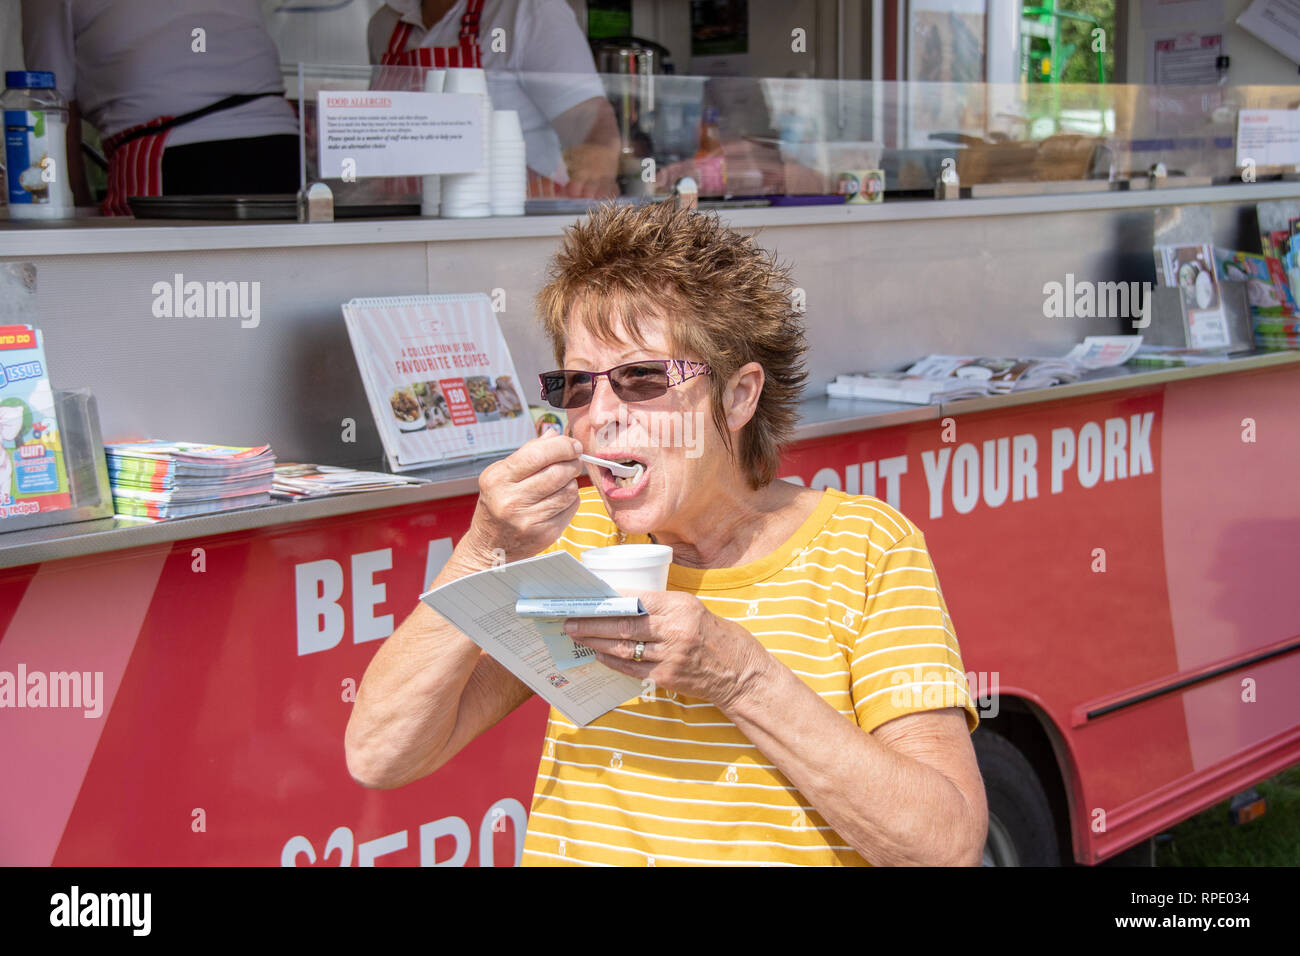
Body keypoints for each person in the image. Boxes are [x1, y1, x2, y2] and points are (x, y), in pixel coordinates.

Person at [345, 200, 987, 866]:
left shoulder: (865, 549)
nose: (600, 417)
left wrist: (738, 676)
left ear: (738, 397)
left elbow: (943, 847)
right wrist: (485, 550)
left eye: (642, 379)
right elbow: (380, 754)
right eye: (577, 385)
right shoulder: (576, 538)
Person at [20, 0, 300, 216]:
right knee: (273, 279)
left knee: (147, 279)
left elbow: (50, 103)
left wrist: (73, 210)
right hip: (283, 149)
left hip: (170, 157)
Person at [366, 0, 619, 198]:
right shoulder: (385, 24)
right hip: (398, 227)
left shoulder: (530, 10)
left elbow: (589, 120)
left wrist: (591, 180)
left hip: (506, 229)